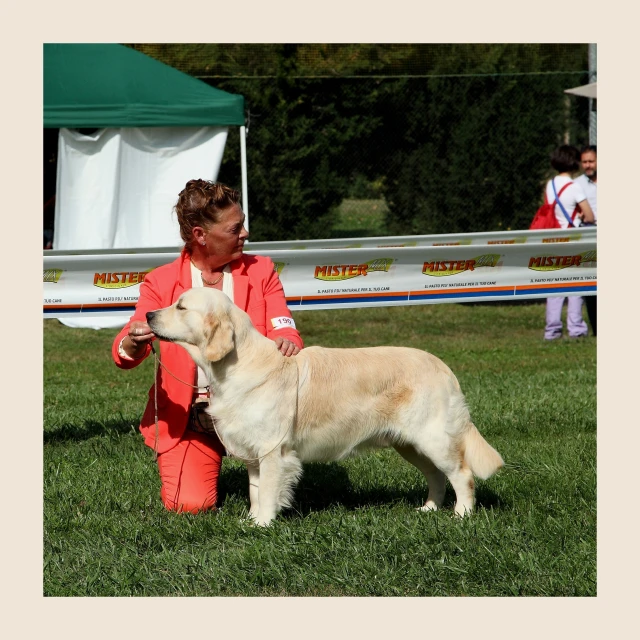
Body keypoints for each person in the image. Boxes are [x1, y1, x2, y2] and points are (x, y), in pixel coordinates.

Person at [112, 179, 303, 513]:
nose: (245, 233)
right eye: (236, 227)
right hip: (192, 420)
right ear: (200, 235)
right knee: (189, 505)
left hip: (255, 408)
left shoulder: (261, 271)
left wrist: (288, 340)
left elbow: (283, 325)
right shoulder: (161, 281)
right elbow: (125, 350)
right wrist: (132, 342)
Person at [543, 145, 595, 341]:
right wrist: (581, 214)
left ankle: (552, 329)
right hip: (572, 239)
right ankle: (576, 328)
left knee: (554, 286)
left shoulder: (550, 185)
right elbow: (589, 215)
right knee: (575, 287)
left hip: (552, 239)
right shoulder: (574, 186)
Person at [575, 145, 597, 336]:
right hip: (588, 235)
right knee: (591, 285)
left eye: (591, 161)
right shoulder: (577, 184)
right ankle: (596, 328)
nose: (588, 165)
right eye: (585, 162)